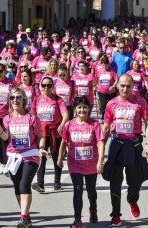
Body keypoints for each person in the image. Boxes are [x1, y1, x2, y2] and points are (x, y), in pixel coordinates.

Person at [102, 74, 148, 227]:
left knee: (135, 182)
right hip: (117, 144)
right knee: (115, 181)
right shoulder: (111, 104)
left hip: (134, 145)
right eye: (122, 86)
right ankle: (116, 214)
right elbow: (106, 126)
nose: (125, 89)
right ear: (117, 86)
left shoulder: (140, 101)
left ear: (133, 87)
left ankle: (132, 200)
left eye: (128, 86)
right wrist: (100, 146)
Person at [0, 88, 48, 228]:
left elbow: (40, 136)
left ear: (23, 100)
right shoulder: (7, 118)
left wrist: (41, 148)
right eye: (12, 98)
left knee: (24, 184)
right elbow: (5, 137)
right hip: (13, 156)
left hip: (30, 154)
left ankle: (23, 217)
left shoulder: (32, 117)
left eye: (18, 97)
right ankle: (27, 218)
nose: (15, 100)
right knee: (17, 188)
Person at [57, 97, 106, 228]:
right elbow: (63, 143)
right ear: (75, 109)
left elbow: (101, 143)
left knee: (91, 191)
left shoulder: (94, 124)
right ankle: (77, 219)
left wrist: (100, 161)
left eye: (84, 107)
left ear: (88, 109)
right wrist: (60, 159)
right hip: (75, 164)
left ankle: (93, 210)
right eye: (79, 107)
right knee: (77, 190)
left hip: (91, 164)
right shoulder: (69, 125)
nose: (82, 110)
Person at [31, 76, 69, 192]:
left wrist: (62, 125)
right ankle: (40, 183)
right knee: (41, 158)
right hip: (41, 134)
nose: (46, 87)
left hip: (55, 133)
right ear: (40, 87)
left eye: (49, 85)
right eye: (44, 85)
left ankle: (57, 181)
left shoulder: (58, 100)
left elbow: (65, 115)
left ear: (53, 87)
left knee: (56, 157)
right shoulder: (37, 99)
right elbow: (32, 114)